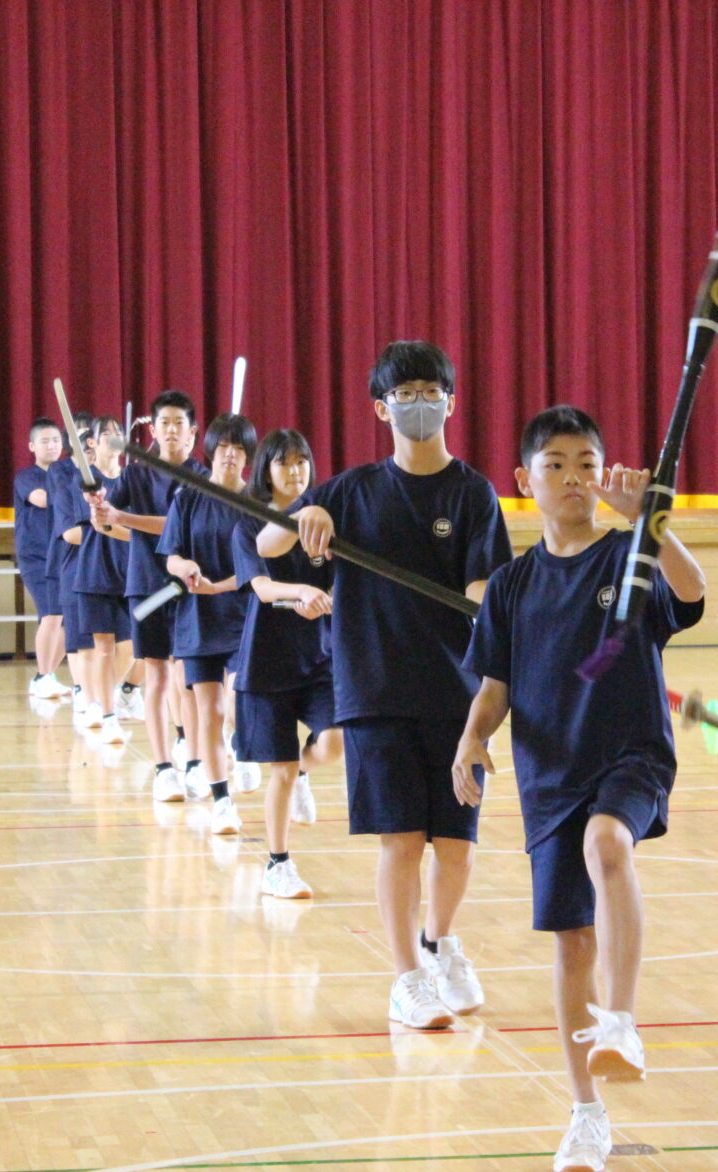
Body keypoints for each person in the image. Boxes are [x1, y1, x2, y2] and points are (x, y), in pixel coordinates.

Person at [452, 406, 704, 1172]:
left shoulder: (629, 558)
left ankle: (621, 1020)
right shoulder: (513, 586)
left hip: (630, 757)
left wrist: (652, 525)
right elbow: (495, 683)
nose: (573, 477)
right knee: (571, 945)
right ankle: (586, 1115)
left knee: (609, 843)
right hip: (547, 773)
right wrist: (471, 737)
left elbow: (692, 598)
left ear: (604, 477)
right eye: (554, 464)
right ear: (524, 483)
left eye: (586, 463)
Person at [260, 340, 512, 1030]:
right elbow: (267, 547)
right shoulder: (348, 491)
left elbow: (484, 583)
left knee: (455, 844)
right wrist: (301, 517)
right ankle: (406, 977)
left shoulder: (472, 493)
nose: (420, 403)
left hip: (460, 699)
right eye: (405, 394)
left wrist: (494, 614)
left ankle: (440, 940)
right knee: (400, 840)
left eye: (432, 391)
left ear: (452, 403)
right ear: (381, 408)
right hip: (373, 691)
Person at [230, 429, 344, 899]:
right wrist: (299, 591)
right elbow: (259, 587)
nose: (295, 471)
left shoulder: (325, 522)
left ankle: (303, 773)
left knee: (335, 740)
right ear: (266, 470)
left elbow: (343, 582)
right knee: (278, 768)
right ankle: (278, 863)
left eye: (302, 462)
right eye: (284, 463)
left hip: (319, 657)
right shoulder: (247, 525)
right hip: (266, 660)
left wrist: (328, 598)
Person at [91, 391, 207, 802]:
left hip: (190, 588)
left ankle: (196, 761)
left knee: (188, 679)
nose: (172, 429)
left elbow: (174, 527)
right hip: (147, 587)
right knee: (157, 676)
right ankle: (163, 769)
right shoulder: (135, 476)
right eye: (165, 423)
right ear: (152, 430)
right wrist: (101, 511)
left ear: (193, 432)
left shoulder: (203, 479)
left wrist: (123, 518)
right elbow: (107, 522)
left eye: (180, 422)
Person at [162, 413, 257, 830]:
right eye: (224, 449)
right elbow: (170, 555)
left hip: (244, 618)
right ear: (211, 452)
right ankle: (222, 801)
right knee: (210, 712)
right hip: (198, 619)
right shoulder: (187, 498)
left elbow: (261, 568)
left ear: (248, 457)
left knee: (240, 700)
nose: (230, 456)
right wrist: (185, 568)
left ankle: (246, 746)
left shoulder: (256, 504)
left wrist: (220, 587)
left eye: (239, 450)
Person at [69, 416, 134, 744]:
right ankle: (105, 712)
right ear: (92, 443)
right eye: (105, 434)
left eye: (117, 433)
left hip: (132, 574)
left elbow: (132, 524)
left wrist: (133, 534)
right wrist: (96, 503)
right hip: (97, 571)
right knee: (103, 647)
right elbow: (95, 522)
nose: (113, 438)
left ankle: (108, 696)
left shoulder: (133, 477)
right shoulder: (87, 478)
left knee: (133, 647)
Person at [46, 413, 97, 721]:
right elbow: (69, 529)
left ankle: (111, 691)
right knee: (76, 632)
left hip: (107, 566)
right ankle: (83, 689)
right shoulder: (62, 476)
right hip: (73, 560)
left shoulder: (112, 477)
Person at [15, 419, 70, 700]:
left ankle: (46, 675)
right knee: (51, 614)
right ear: (32, 446)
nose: (52, 445)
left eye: (56, 440)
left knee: (67, 619)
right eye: (45, 441)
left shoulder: (66, 474)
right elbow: (41, 499)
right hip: (36, 557)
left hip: (64, 554)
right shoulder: (27, 477)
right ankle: (41, 676)